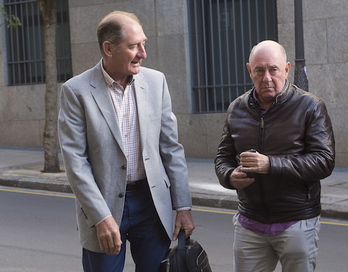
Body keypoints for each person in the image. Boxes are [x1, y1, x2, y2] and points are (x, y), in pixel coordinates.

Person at [58, 10, 195, 272]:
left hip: (153, 204)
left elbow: (171, 149)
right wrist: (100, 217)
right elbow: (76, 163)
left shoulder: (156, 82)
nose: (143, 53)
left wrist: (183, 206)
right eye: (133, 46)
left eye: (143, 44)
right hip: (104, 206)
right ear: (109, 48)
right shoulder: (76, 91)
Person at [215, 40, 335, 272]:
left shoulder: (310, 106)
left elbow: (324, 161)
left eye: (274, 69)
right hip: (250, 222)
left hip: (296, 221)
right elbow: (222, 158)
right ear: (250, 70)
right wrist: (230, 176)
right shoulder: (237, 108)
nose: (266, 77)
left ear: (287, 69)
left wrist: (271, 164)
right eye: (259, 70)